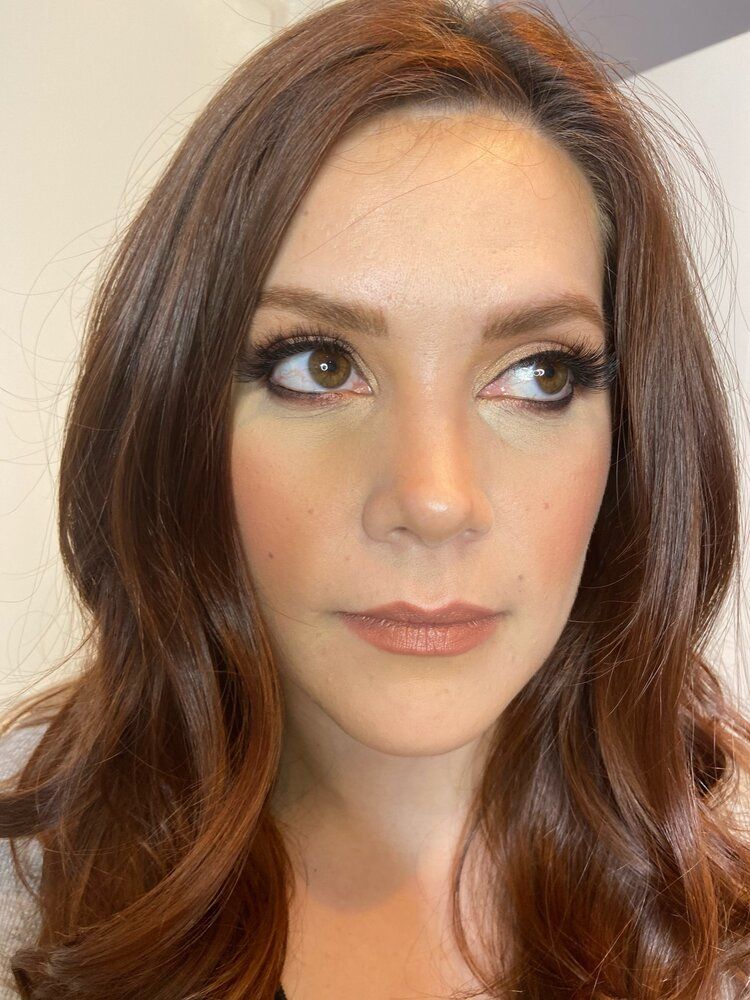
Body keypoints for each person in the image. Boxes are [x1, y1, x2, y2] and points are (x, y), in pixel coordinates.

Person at [1, 0, 749, 997]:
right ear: (175, 411)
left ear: (640, 437)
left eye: (538, 373)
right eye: (318, 365)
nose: (433, 500)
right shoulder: (30, 892)